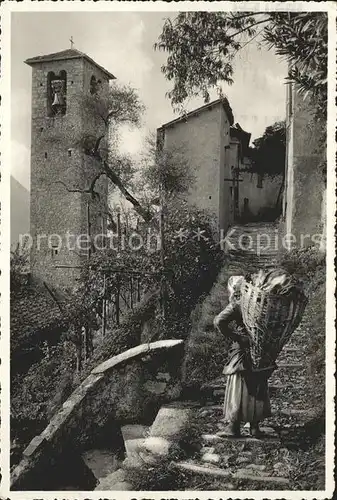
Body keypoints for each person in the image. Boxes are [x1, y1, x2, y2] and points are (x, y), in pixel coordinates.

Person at [214, 275, 275, 437]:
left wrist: (237, 337)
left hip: (242, 351)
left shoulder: (237, 305)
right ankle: (255, 427)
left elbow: (219, 321)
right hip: (260, 350)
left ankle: (234, 427)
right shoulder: (261, 303)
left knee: (239, 385)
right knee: (257, 384)